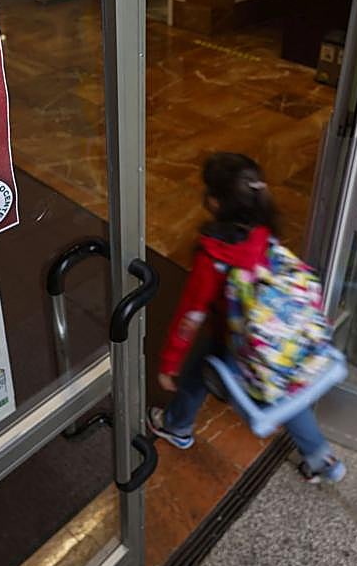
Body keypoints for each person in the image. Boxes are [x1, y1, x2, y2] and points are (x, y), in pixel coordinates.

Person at [147, 152, 346, 484]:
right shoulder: (264, 230)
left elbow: (191, 315)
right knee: (286, 392)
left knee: (197, 370)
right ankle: (322, 460)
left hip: (235, 340)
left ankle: (177, 425)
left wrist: (169, 363)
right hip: (281, 337)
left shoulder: (213, 255)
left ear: (213, 202)